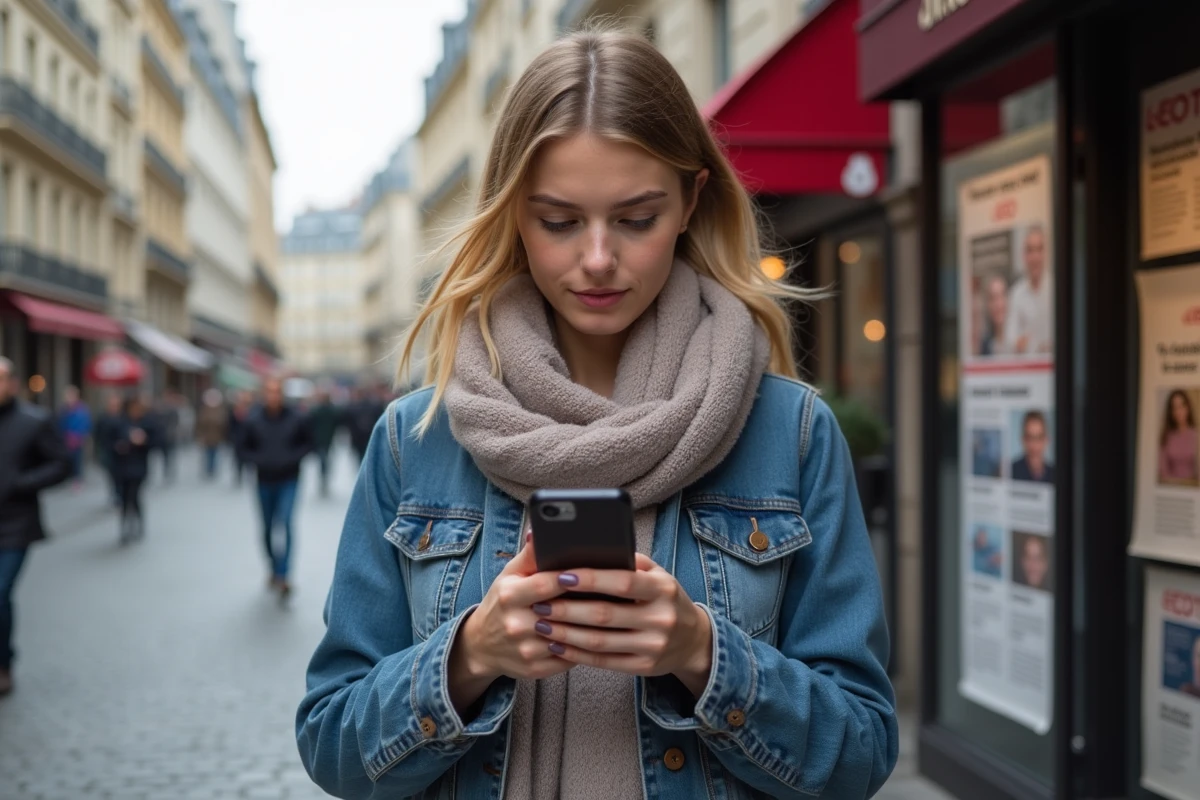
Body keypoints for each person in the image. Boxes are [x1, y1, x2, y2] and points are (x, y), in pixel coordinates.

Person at [297, 31, 896, 799]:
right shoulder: (416, 441)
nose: (599, 258)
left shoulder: (793, 433)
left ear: (691, 201)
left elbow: (861, 750)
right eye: (558, 221)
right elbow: (331, 744)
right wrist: (467, 657)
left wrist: (707, 654)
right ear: (513, 215)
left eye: (637, 218)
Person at [0, 356, 71, 695]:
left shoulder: (34, 421)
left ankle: (3, 663)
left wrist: (20, 483)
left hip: (16, 523)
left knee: (0, 592)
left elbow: (61, 465)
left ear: (13, 383)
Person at [241, 377, 313, 601]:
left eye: (276, 392)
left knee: (287, 523)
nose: (273, 396)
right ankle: (273, 566)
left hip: (289, 479)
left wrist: (292, 459)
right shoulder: (254, 419)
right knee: (267, 527)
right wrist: (258, 460)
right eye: (269, 392)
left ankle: (284, 575)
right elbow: (242, 446)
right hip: (263, 480)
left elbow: (309, 443)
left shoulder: (296, 417)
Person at [109, 396, 157, 544]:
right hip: (122, 466)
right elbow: (109, 442)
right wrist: (121, 445)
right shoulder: (120, 423)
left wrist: (144, 441)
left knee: (134, 495)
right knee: (123, 497)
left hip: (139, 466)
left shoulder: (147, 423)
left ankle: (137, 523)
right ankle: (125, 526)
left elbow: (157, 442)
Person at [1006, 225, 1052, 355]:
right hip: (1029, 371)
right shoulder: (1016, 294)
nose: (1035, 257)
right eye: (1030, 250)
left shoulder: (1056, 290)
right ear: (1024, 255)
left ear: (1046, 253)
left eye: (1039, 249)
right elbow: (1011, 339)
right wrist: (1018, 343)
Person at [1159, 390, 1198, 484]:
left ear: (1187, 407)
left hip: (1192, 487)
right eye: (1174, 408)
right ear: (1171, 412)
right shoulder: (1166, 436)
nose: (1178, 412)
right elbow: (1163, 469)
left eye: (1181, 406)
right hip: (1171, 487)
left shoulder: (1196, 435)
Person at [306, 389, 340, 497]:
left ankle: (323, 478)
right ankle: (324, 478)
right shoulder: (330, 410)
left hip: (323, 440)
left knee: (323, 461)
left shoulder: (317, 410)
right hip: (324, 440)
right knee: (324, 461)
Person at [57, 385, 91, 490]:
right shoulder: (64, 409)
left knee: (77, 461)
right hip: (65, 439)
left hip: (77, 440)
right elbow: (59, 424)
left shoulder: (82, 409)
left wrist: (80, 436)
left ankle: (77, 479)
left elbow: (86, 424)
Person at [94, 392, 125, 505]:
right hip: (108, 450)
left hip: (121, 452)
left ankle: (120, 493)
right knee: (111, 474)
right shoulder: (103, 417)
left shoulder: (123, 416)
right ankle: (115, 493)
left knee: (120, 474)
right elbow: (97, 433)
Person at [343, 386, 384, 465]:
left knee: (360, 456)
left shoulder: (352, 407)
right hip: (367, 435)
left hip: (358, 436)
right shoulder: (375, 406)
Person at [1012, 410, 1054, 483]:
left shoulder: (1054, 473)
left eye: (1039, 438)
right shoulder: (1012, 470)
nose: (1034, 444)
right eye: (1029, 438)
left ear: (1046, 440)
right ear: (1023, 439)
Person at [195, 388, 229, 480]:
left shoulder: (221, 410)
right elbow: (199, 424)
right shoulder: (204, 410)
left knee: (215, 454)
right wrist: (199, 436)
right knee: (207, 454)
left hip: (217, 437)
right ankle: (208, 469)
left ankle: (213, 469)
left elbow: (224, 424)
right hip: (206, 437)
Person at [978, 274, 1012, 357]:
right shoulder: (986, 345)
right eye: (992, 298)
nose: (997, 304)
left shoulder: (1020, 340)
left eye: (1001, 296)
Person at [228, 390, 253, 487]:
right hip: (237, 440)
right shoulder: (233, 411)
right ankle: (238, 476)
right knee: (237, 459)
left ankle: (248, 475)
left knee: (248, 460)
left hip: (249, 440)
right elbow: (230, 425)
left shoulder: (251, 411)